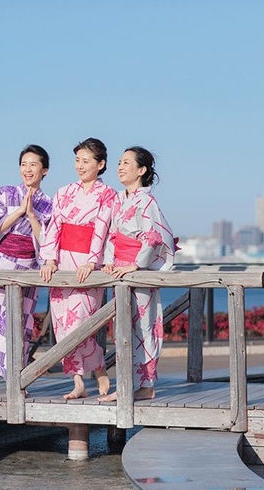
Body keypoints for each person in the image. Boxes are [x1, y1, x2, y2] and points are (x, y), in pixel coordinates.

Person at [40, 138, 116, 399]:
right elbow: (54, 226)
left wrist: (93, 261)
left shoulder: (108, 195)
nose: (80, 166)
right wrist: (49, 258)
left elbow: (103, 228)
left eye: (86, 161)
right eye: (77, 160)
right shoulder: (63, 192)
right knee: (62, 324)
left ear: (101, 164)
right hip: (62, 261)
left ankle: (98, 366)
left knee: (82, 321)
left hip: (87, 263)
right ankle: (78, 382)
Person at [98, 146, 176, 402]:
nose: (120, 167)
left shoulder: (146, 201)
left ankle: (143, 385)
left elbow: (153, 237)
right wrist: (109, 261)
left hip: (136, 272)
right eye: (119, 162)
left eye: (127, 163)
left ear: (141, 170)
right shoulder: (119, 200)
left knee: (143, 328)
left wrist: (137, 264)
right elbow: (112, 235)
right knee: (122, 328)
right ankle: (128, 384)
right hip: (119, 269)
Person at [0, 144, 53, 378]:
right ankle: (8, 378)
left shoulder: (48, 204)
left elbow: (47, 241)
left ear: (44, 170)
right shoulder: (4, 194)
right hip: (0, 265)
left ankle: (17, 378)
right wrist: (17, 212)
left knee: (21, 325)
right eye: (23, 164)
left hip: (28, 269)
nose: (27, 169)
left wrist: (31, 215)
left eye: (33, 164)